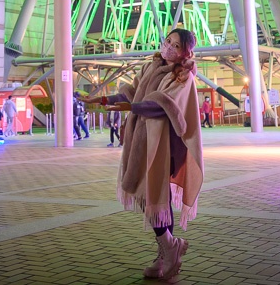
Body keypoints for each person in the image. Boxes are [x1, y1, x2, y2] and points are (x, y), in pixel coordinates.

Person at [82, 28, 203, 282]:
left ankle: (170, 248)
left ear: (186, 51)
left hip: (163, 146)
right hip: (142, 142)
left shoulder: (183, 76)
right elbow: (132, 93)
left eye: (176, 45)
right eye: (168, 41)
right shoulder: (152, 67)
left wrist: (133, 106)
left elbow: (166, 107)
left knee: (152, 196)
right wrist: (102, 100)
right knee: (157, 198)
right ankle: (166, 252)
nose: (169, 46)